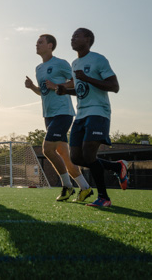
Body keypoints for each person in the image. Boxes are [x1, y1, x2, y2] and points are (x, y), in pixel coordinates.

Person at [54, 28, 126, 207]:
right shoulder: (74, 63)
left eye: (76, 36)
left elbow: (114, 86)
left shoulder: (98, 59)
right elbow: (81, 91)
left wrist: (87, 78)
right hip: (81, 114)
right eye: (71, 36)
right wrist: (66, 90)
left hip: (98, 112)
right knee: (77, 158)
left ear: (88, 39)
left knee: (89, 154)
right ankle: (118, 167)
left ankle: (104, 197)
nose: (72, 38)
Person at [24, 34, 92, 202]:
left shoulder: (60, 63)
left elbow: (76, 82)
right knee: (64, 155)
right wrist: (32, 87)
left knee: (47, 150)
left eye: (40, 42)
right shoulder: (39, 68)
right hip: (48, 115)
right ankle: (85, 187)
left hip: (63, 113)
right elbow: (43, 92)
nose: (36, 44)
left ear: (50, 45)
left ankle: (67, 186)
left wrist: (58, 86)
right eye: (36, 42)